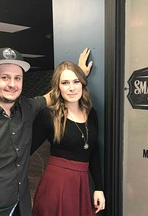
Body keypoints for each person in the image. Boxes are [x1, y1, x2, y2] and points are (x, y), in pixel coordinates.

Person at [0, 47, 92, 216]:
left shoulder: (26, 107)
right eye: (5, 77)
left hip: (20, 207)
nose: (12, 84)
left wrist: (77, 75)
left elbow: (54, 94)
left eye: (18, 78)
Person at [31, 61, 105, 216]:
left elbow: (94, 152)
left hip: (82, 183)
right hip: (57, 185)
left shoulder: (91, 114)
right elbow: (26, 149)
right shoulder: (49, 115)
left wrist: (99, 188)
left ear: (82, 84)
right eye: (65, 83)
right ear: (58, 88)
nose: (71, 88)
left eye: (76, 81)